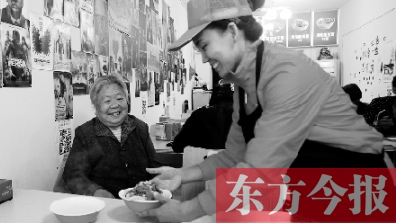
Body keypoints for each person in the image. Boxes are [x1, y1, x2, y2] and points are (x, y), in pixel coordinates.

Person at [138, 0, 393, 222]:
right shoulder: (243, 87)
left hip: (361, 190)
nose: (204, 58)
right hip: (316, 193)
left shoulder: (287, 73)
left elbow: (260, 171)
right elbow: (235, 156)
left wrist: (185, 212)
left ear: (232, 31)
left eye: (204, 45)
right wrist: (182, 175)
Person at [63, 75, 161, 199]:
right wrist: (95, 191)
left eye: (120, 98)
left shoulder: (140, 128)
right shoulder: (85, 134)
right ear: (96, 107)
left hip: (142, 201)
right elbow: (73, 175)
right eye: (107, 101)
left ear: (127, 101)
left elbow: (155, 167)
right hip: (106, 204)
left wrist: (155, 188)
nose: (115, 105)